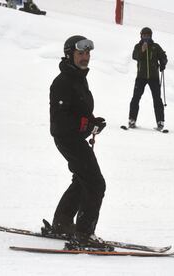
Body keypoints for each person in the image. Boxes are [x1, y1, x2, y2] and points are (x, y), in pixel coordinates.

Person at [45, 35, 109, 249]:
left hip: (74, 137)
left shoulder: (79, 77)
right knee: (95, 183)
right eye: (81, 53)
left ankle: (62, 223)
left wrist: (93, 122)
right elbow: (62, 120)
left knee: (82, 180)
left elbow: (78, 112)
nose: (85, 57)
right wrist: (86, 125)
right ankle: (84, 234)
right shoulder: (63, 82)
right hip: (67, 138)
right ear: (70, 54)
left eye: (88, 53)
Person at [128, 27, 168, 130]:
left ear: (151, 36)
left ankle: (160, 122)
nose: (146, 37)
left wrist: (163, 62)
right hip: (141, 77)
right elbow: (135, 56)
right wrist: (142, 50)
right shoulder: (138, 46)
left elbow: (163, 56)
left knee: (157, 99)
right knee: (135, 98)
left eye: (148, 35)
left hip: (153, 77)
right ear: (141, 36)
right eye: (144, 35)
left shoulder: (155, 47)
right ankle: (132, 119)